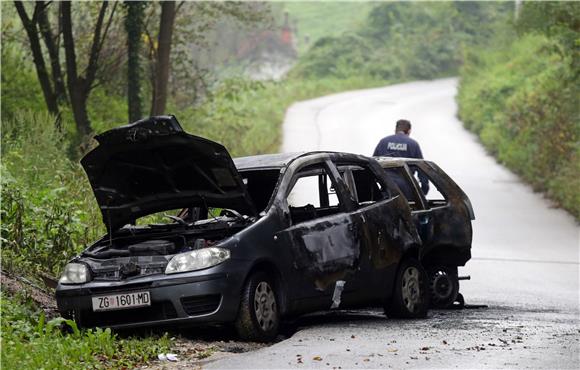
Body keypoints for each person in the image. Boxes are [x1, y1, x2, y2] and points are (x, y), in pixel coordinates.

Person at [373, 119, 429, 195]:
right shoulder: (413, 144)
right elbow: (421, 168)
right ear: (409, 131)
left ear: (395, 130)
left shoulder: (383, 142)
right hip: (407, 189)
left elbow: (373, 164)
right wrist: (423, 190)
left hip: (386, 187)